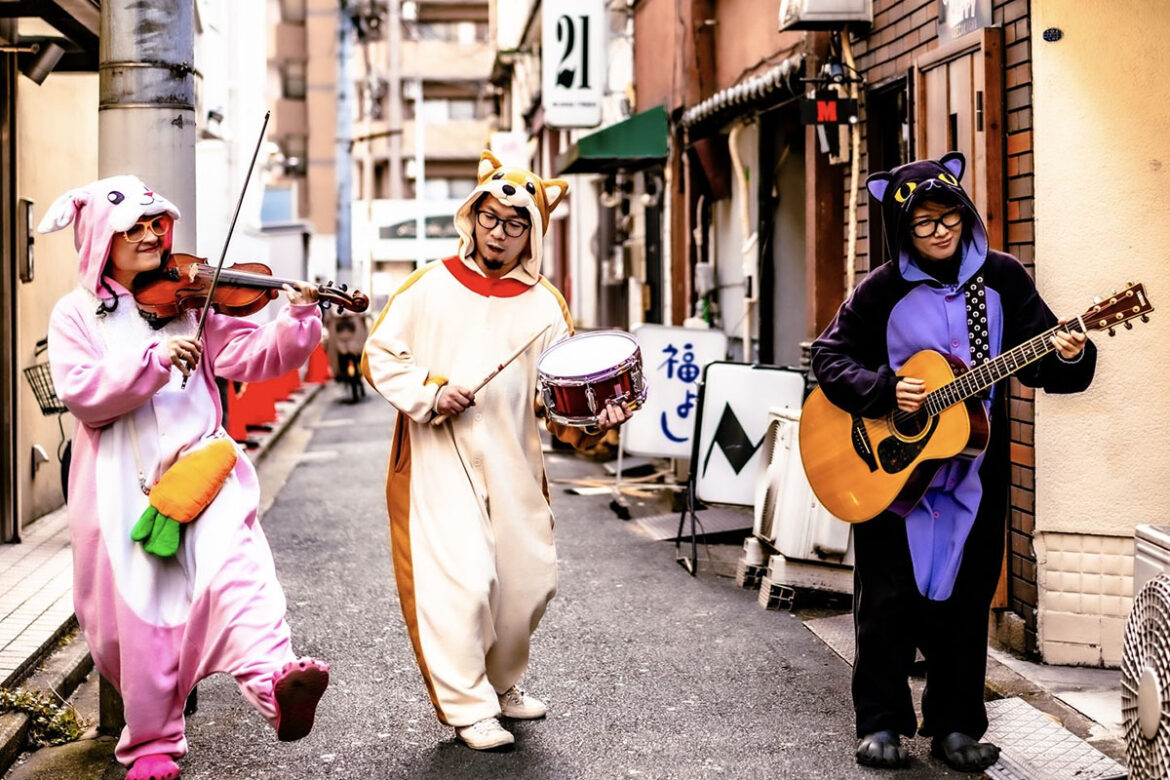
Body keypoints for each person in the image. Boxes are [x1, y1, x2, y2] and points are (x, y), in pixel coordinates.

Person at [810, 152, 1096, 772]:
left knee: (966, 602)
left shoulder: (1002, 279)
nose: (940, 231)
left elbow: (1042, 361)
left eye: (949, 217)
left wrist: (1069, 352)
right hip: (891, 470)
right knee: (886, 600)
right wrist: (886, 390)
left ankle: (956, 724)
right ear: (901, 229)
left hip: (973, 471)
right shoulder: (880, 290)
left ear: (965, 215)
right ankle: (882, 723)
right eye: (924, 224)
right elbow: (829, 360)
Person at [42, 175, 330, 780]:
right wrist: (151, 362)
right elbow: (83, 394)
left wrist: (298, 315)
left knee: (238, 570)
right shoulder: (74, 315)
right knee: (139, 618)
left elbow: (253, 355)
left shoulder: (191, 304)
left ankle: (276, 683)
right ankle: (151, 744)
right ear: (101, 238)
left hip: (204, 464)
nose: (152, 236)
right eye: (135, 228)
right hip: (124, 485)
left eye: (157, 225)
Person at [362, 151, 631, 751]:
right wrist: (431, 391)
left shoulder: (545, 306)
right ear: (472, 215)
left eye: (516, 224)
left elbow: (560, 400)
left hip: (515, 458)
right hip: (438, 454)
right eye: (490, 217)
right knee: (463, 580)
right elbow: (379, 356)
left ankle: (501, 681)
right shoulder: (427, 285)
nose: (500, 233)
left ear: (533, 232)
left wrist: (595, 420)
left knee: (528, 581)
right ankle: (467, 706)